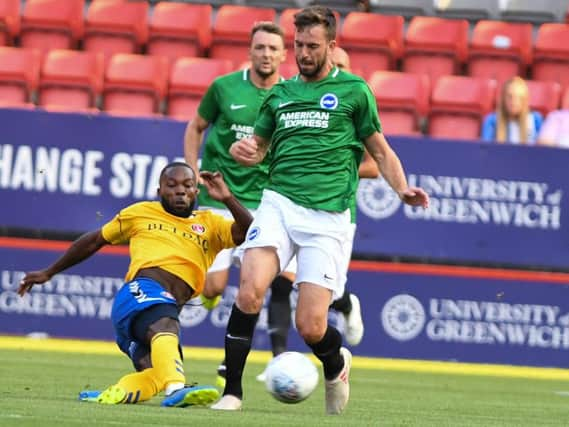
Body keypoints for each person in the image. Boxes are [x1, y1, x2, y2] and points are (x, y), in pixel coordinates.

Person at [211, 6, 429, 415]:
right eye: (299, 45)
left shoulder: (354, 91)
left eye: (313, 46)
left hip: (328, 218)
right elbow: (258, 148)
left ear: (332, 46)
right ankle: (233, 393)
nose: (304, 53)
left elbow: (379, 150)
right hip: (277, 204)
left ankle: (335, 362)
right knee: (249, 290)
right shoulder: (279, 94)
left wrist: (402, 189)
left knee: (310, 325)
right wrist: (247, 152)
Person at [18, 163, 253, 407]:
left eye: (187, 185)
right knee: (167, 327)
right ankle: (177, 389)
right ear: (159, 191)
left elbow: (249, 231)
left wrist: (227, 198)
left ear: (196, 192)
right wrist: (49, 271)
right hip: (140, 294)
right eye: (171, 185)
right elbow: (95, 240)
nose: (180, 191)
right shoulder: (140, 213)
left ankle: (114, 393)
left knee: (156, 374)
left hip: (154, 312)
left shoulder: (210, 223)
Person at [184, 21, 299, 388]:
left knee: (266, 282)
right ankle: (212, 298)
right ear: (250, 51)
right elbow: (195, 126)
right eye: (260, 47)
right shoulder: (223, 87)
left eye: (273, 49)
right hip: (219, 198)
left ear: (284, 55)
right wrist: (191, 170)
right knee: (213, 287)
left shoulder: (291, 94)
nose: (266, 54)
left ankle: (250, 360)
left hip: (265, 203)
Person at [256, 45, 376, 383]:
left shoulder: (354, 103)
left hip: (336, 212)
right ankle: (278, 360)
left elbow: (373, 165)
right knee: (281, 281)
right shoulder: (299, 101)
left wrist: (336, 165)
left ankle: (346, 302)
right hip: (292, 205)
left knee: (321, 300)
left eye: (340, 64)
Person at [481, 76, 543, 144]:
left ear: (525, 100)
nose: (514, 102)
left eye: (520, 98)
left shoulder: (535, 119)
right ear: (503, 98)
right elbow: (486, 149)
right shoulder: (492, 120)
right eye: (510, 96)